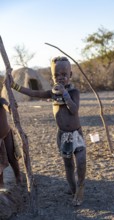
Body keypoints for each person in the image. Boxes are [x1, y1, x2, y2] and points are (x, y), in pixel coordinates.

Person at [10, 56, 86, 206]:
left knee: (81, 161)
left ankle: (81, 187)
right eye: (56, 75)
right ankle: (73, 190)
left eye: (64, 74)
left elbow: (74, 110)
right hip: (63, 135)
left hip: (76, 134)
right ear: (52, 76)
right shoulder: (52, 93)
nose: (60, 78)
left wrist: (64, 93)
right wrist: (14, 86)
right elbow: (34, 93)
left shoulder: (74, 92)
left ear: (70, 75)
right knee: (69, 165)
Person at [0, 97, 21, 187]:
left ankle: (18, 177)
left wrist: (10, 107)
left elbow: (5, 105)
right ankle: (1, 184)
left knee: (12, 157)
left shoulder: (0, 100)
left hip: (6, 133)